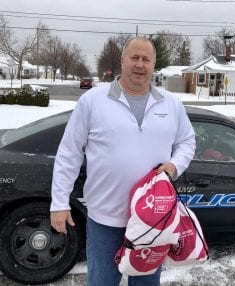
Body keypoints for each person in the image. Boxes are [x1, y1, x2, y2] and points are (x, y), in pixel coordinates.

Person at [50, 36, 195, 286]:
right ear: (122, 61)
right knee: (102, 281)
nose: (140, 64)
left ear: (154, 65)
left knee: (147, 284)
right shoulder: (93, 101)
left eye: (146, 59)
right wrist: (59, 203)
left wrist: (173, 167)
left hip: (153, 219)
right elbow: (69, 153)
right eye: (134, 58)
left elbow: (187, 142)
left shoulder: (171, 104)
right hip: (105, 219)